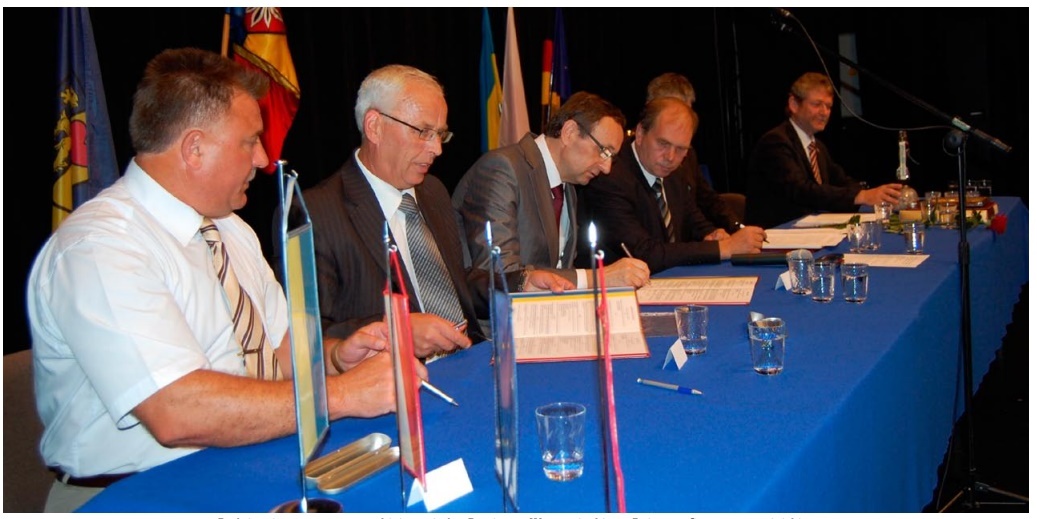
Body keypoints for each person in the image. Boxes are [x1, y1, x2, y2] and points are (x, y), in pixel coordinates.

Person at [26, 48, 407, 513]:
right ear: (194, 149)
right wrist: (342, 395)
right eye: (250, 142)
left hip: (244, 466)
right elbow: (176, 413)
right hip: (129, 494)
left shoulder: (230, 228)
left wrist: (334, 358)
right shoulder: (99, 248)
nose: (264, 159)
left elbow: (277, 350)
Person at [301, 64, 571, 360]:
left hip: (470, 359)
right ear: (374, 126)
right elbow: (308, 336)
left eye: (440, 134)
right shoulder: (316, 213)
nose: (437, 149)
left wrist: (519, 283)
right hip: (395, 377)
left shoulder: (432, 191)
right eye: (423, 132)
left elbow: (455, 283)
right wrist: (397, 330)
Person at [453, 92, 650, 288]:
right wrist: (598, 278)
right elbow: (500, 274)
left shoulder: (567, 186)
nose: (606, 168)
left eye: (612, 158)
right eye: (604, 151)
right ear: (569, 132)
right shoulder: (502, 168)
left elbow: (559, 266)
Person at [580, 97, 766, 273]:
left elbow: (692, 218)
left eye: (681, 149)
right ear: (640, 133)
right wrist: (724, 247)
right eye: (663, 144)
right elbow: (645, 253)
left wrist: (712, 234)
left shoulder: (676, 170)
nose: (670, 157)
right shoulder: (610, 176)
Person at [745, 72, 902, 228]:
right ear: (794, 104)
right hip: (777, 232)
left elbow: (841, 181)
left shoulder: (818, 146)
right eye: (817, 104)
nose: (824, 112)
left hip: (809, 229)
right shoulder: (775, 142)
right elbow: (802, 190)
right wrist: (861, 196)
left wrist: (877, 194)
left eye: (828, 106)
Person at [645, 72, 743, 239]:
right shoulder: (626, 165)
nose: (671, 156)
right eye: (674, 112)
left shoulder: (688, 154)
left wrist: (737, 228)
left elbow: (704, 201)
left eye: (687, 111)